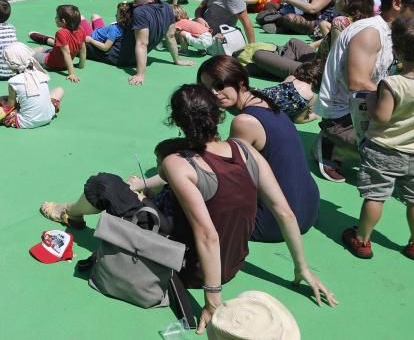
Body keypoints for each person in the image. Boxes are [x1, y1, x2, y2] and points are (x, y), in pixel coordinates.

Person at [39, 85, 336, 333]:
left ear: (178, 122)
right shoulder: (245, 151)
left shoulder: (177, 163)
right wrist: (302, 267)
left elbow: (207, 234)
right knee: (151, 194)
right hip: (232, 263)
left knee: (103, 184)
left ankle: (69, 211)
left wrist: (212, 300)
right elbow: (284, 212)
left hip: (187, 268)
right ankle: (89, 208)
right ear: (218, 115)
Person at [314, 0, 414, 181]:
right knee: (404, 154)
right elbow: (358, 83)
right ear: (398, 4)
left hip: (370, 104)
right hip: (345, 114)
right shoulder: (370, 33)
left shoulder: (397, 31)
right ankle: (333, 146)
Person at [198, 56, 320, 242]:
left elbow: (227, 175)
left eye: (219, 85)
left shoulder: (244, 122)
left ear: (240, 82)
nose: (214, 93)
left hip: (275, 222)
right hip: (308, 207)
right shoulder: (266, 100)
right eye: (207, 90)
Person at [343, 16, 414, 260]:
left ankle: (362, 239)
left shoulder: (393, 83)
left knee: (375, 196)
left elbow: (382, 116)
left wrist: (370, 97)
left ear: (397, 51)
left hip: (385, 149)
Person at [250, 0, 374, 80]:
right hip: (319, 61)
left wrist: (310, 69)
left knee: (258, 55)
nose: (336, 0)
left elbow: (335, 56)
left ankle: (279, 69)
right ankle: (277, 67)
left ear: (348, 3)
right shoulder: (365, 22)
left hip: (319, 73)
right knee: (294, 43)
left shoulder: (340, 22)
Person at [87, 0, 192, 85]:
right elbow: (170, 36)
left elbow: (142, 44)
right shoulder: (168, 8)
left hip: (116, 56)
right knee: (98, 24)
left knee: (78, 41)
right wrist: (177, 60)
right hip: (132, 56)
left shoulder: (140, 12)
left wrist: (140, 74)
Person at [0, 43, 63, 129]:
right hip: (48, 116)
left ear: (12, 63)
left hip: (26, 122)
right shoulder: (40, 73)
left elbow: (10, 106)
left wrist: (0, 101)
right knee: (59, 90)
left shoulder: (14, 82)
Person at [28, 4, 86, 83]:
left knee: (27, 55)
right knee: (41, 48)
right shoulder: (81, 29)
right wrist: (81, 65)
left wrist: (71, 73)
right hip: (59, 58)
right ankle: (29, 48)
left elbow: (67, 53)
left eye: (56, 17)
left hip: (51, 63)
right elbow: (83, 49)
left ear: (63, 21)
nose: (55, 19)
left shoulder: (60, 33)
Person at [261, 59, 323, 123]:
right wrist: (315, 116)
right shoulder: (311, 97)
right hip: (269, 115)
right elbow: (298, 120)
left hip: (259, 97)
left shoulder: (290, 78)